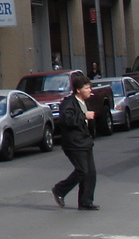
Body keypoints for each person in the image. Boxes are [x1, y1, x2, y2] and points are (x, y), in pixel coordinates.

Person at [52, 71, 99, 211]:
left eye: (90, 88)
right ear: (78, 90)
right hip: (73, 144)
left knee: (90, 173)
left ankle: (85, 202)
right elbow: (66, 120)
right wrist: (84, 116)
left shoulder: (85, 102)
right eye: (86, 88)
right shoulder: (69, 103)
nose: (89, 90)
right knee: (82, 171)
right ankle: (60, 190)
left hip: (85, 142)